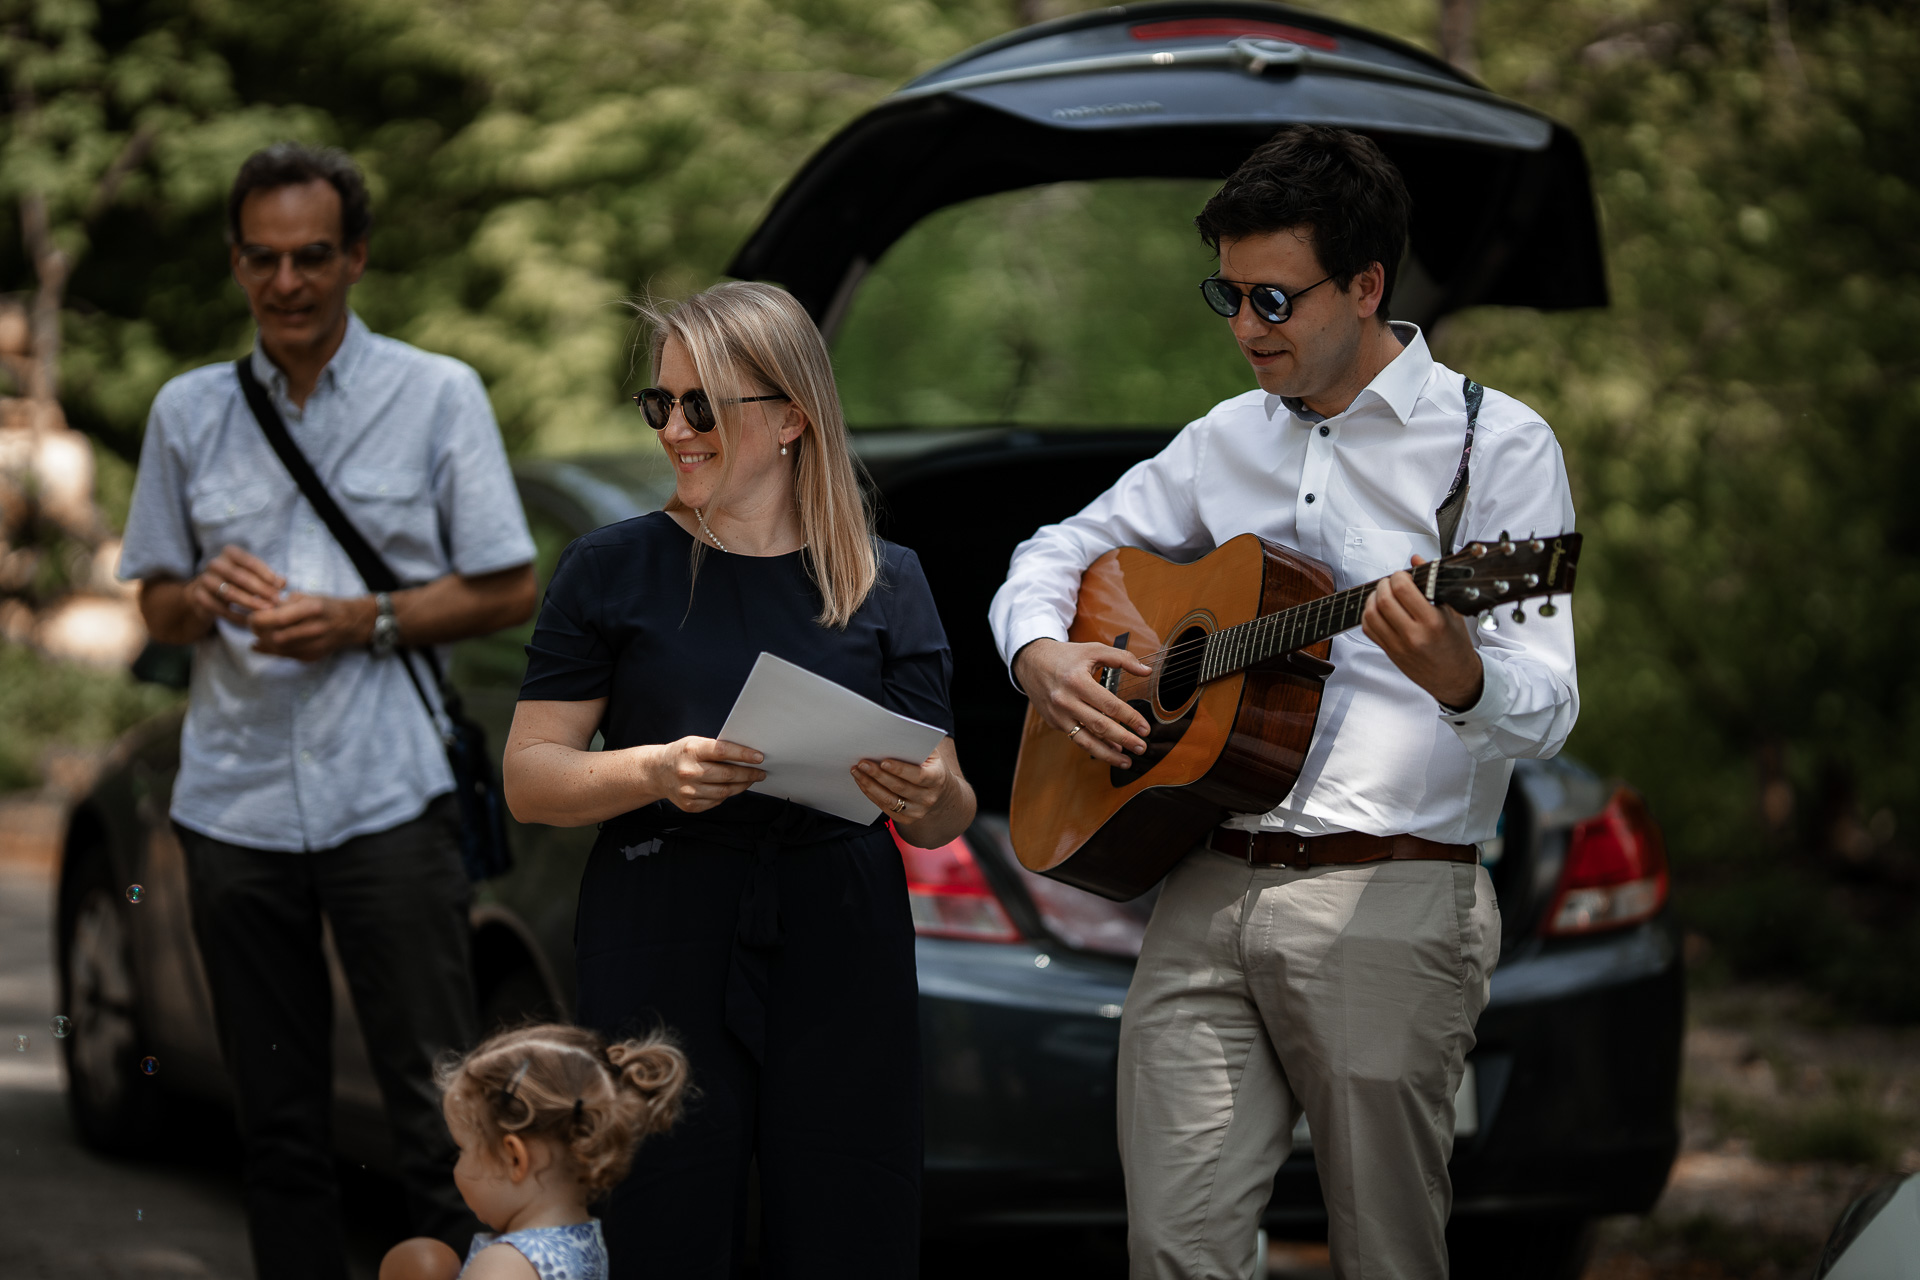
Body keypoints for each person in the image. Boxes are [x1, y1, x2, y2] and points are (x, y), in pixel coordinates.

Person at [989, 125, 1578, 1278]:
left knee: (1387, 1253)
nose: (1244, 327)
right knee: (1174, 1247)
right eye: (1227, 292)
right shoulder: (1224, 440)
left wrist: (1464, 678)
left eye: (1271, 297)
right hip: (1204, 881)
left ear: (1366, 285)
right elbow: (1057, 550)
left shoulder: (1491, 445)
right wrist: (1041, 657)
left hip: (1393, 895)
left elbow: (1548, 702)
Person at [119, 142, 538, 1278]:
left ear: (355, 257)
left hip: (390, 796)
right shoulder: (188, 411)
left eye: (312, 256)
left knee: (440, 1112)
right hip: (234, 800)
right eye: (263, 258)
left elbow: (510, 581)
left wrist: (365, 619)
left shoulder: (437, 392)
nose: (287, 282)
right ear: (238, 261)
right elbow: (151, 596)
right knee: (276, 1118)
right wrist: (197, 597)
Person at [501, 280, 976, 1278]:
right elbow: (530, 778)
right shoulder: (609, 567)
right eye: (660, 403)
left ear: (792, 417)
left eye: (702, 405)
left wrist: (932, 798)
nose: (675, 427)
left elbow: (946, 805)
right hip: (662, 910)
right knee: (663, 1218)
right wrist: (654, 769)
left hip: (841, 924)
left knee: (851, 1217)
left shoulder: (887, 578)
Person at [377, 1023, 690, 1280]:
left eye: (462, 1150)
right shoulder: (586, 1238)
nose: (457, 1167)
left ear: (515, 1158)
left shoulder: (503, 1267)